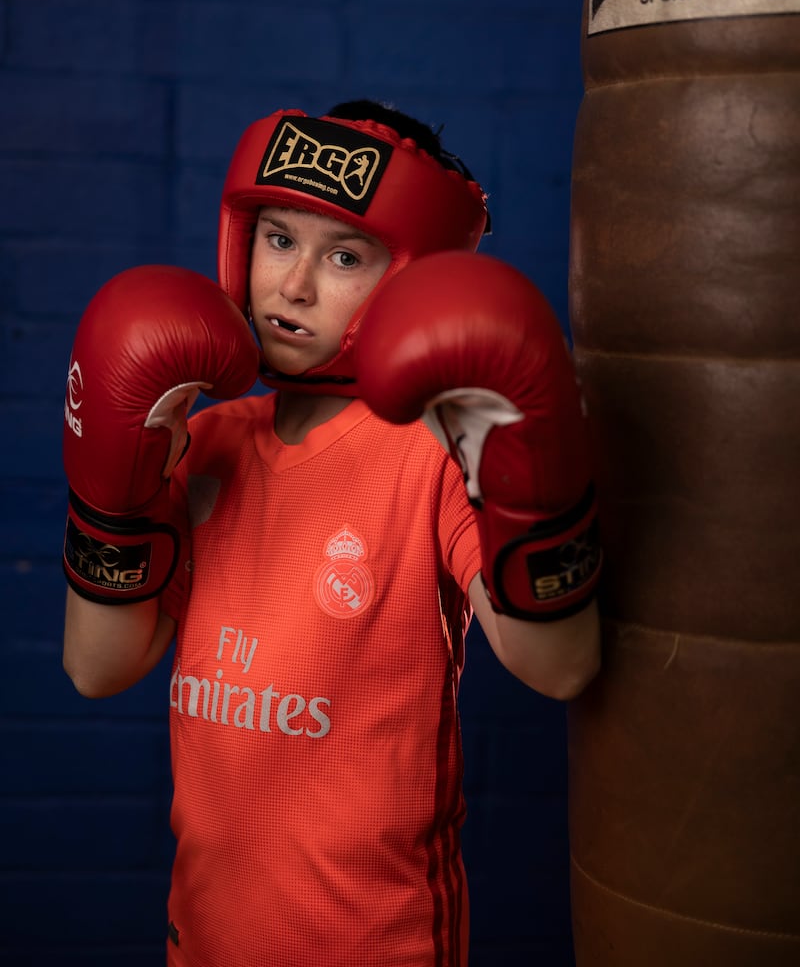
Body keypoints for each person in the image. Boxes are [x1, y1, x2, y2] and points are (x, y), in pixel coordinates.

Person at [62, 100, 602, 967]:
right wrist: (114, 491)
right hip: (201, 938)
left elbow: (561, 666)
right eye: (279, 239)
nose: (294, 286)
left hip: (375, 944)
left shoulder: (434, 455)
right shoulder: (200, 442)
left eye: (344, 256)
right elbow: (97, 667)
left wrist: (529, 488)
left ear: (411, 280)